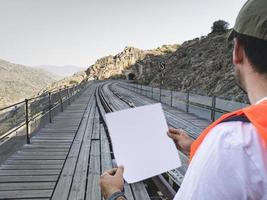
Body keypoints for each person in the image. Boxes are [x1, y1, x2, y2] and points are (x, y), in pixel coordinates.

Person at [100, 0, 267, 199]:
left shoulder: (235, 140)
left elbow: (239, 158)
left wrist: (113, 194)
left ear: (238, 50)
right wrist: (193, 146)